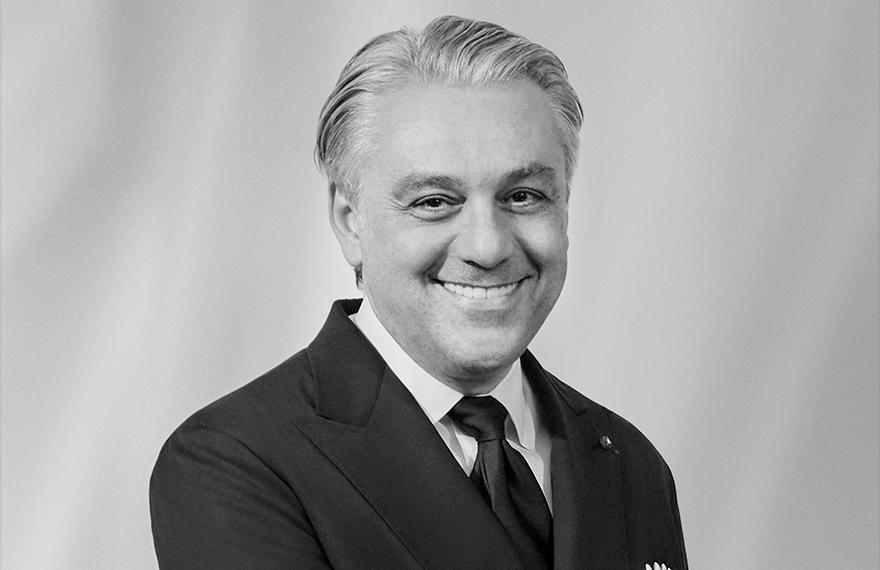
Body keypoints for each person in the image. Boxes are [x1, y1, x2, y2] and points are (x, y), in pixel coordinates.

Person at [149, 15, 687, 570]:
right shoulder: (235, 464)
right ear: (351, 221)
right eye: (434, 201)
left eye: (524, 196)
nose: (487, 247)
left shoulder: (631, 464)